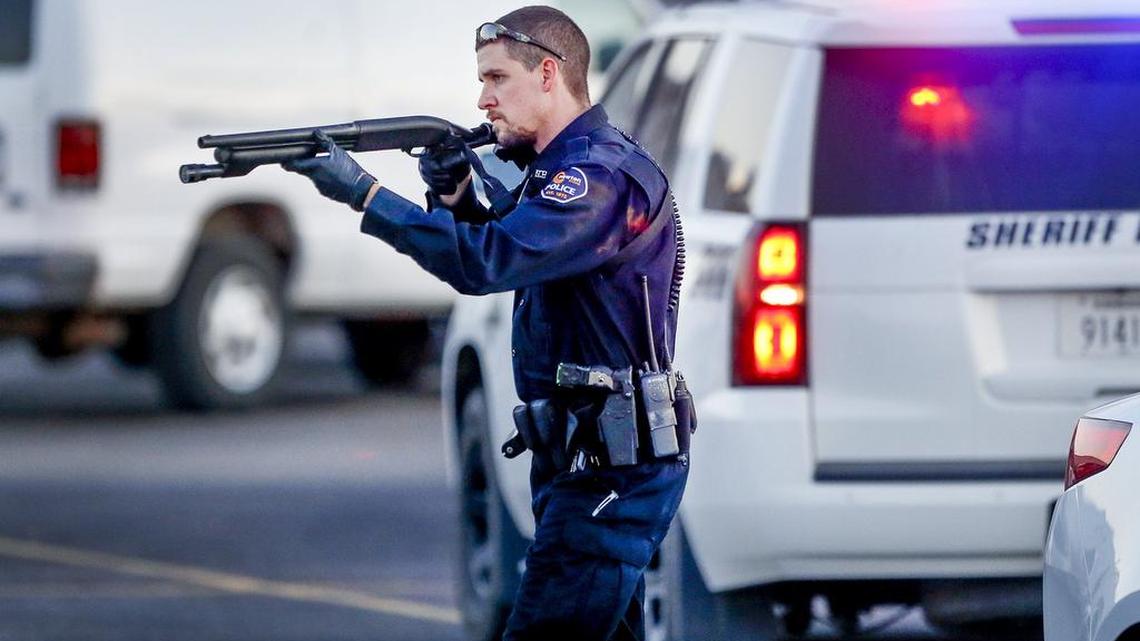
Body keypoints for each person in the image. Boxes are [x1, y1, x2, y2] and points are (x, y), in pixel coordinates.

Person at [280, 6, 691, 640]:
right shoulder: (561, 171)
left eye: (497, 79)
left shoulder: (596, 179)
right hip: (585, 459)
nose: (483, 100)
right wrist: (454, 196)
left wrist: (366, 195)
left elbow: (486, 262)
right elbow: (511, 248)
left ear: (548, 74)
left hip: (610, 468)